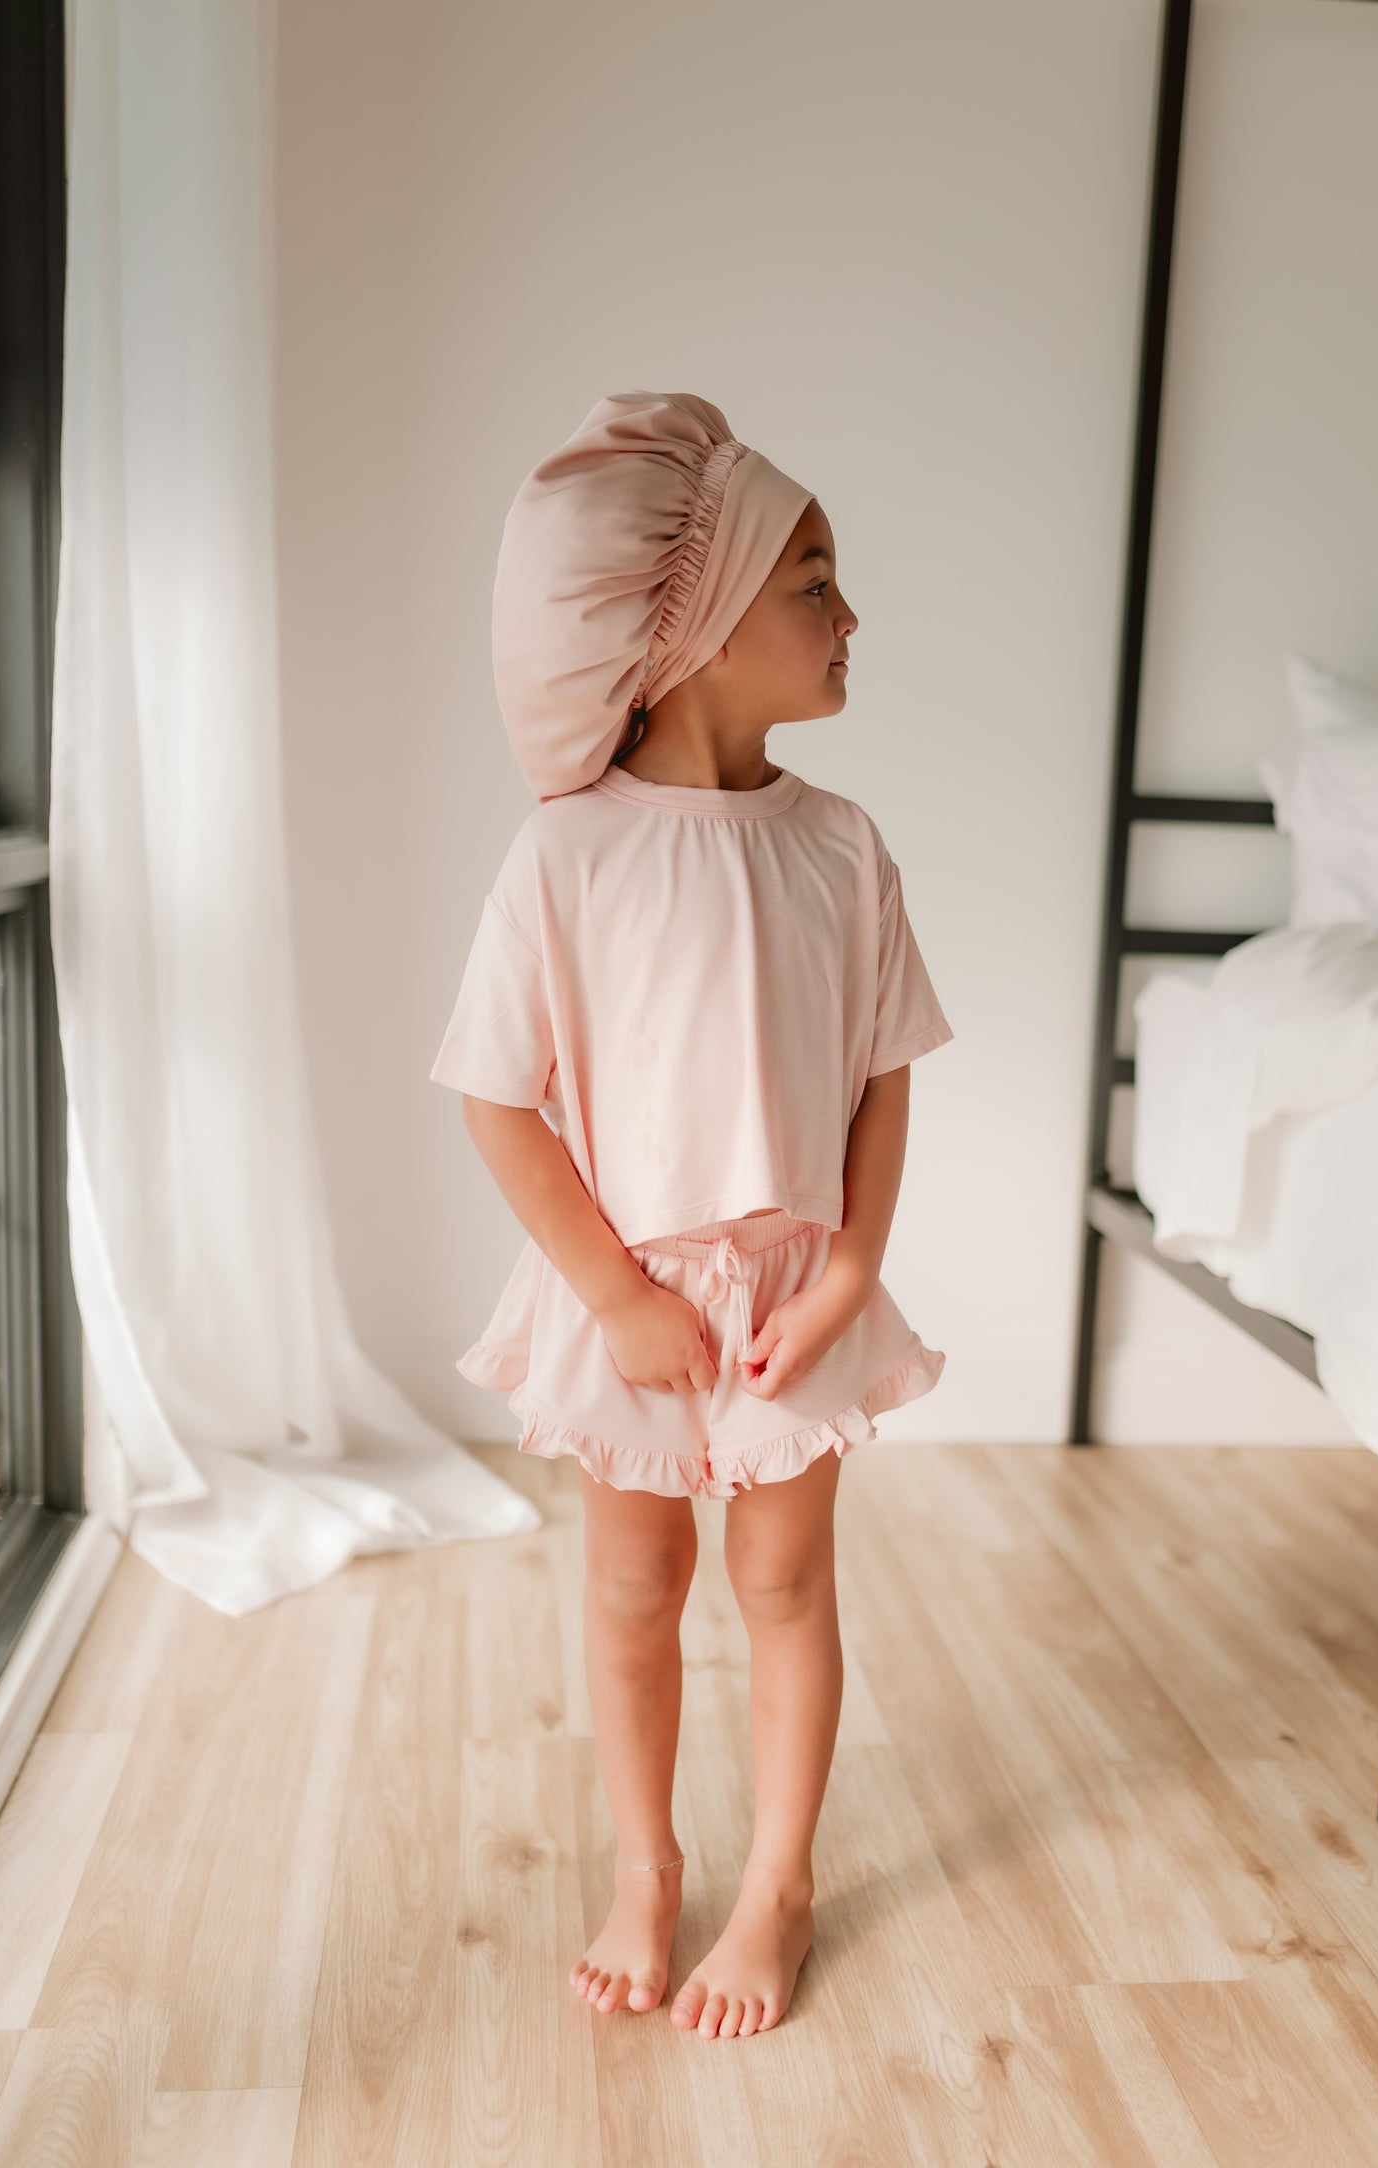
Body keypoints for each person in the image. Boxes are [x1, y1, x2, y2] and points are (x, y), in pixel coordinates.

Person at [429, 391, 954, 2041]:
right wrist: (613, 1299)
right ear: (703, 622)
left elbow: (880, 1077)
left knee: (787, 1583)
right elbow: (497, 1097)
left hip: (794, 1289)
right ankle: (645, 1867)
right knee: (633, 1581)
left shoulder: (842, 850)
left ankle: (777, 1883)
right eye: (813, 579)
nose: (849, 611)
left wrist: (854, 1262)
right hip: (631, 1296)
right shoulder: (567, 857)